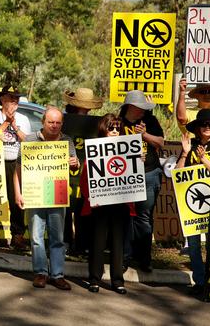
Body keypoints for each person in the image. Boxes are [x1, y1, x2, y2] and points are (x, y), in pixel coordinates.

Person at [13, 107, 79, 290]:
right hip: (35, 193)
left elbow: (75, 167)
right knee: (36, 236)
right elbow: (18, 169)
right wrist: (18, 193)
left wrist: (75, 163)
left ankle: (57, 275)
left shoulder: (67, 141)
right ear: (43, 122)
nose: (54, 126)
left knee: (57, 237)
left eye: (58, 123)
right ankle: (40, 273)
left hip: (57, 193)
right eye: (51, 122)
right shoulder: (29, 139)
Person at [176, 109, 210, 295]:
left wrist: (203, 161)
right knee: (193, 245)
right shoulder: (190, 144)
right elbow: (177, 173)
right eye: (203, 124)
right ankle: (199, 282)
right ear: (198, 128)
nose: (207, 127)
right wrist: (185, 154)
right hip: (191, 205)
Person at [79, 114, 134, 295]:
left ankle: (117, 281)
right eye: (111, 127)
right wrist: (90, 198)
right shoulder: (94, 148)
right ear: (104, 129)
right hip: (99, 202)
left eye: (118, 128)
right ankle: (94, 279)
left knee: (118, 243)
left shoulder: (128, 148)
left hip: (120, 202)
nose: (115, 131)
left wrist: (137, 162)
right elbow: (85, 176)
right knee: (98, 241)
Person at [119, 90, 164, 272]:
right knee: (125, 218)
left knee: (144, 218)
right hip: (124, 177)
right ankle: (124, 257)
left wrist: (145, 135)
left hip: (148, 174)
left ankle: (144, 259)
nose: (143, 111)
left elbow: (161, 142)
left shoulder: (150, 122)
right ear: (131, 107)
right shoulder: (117, 122)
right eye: (141, 108)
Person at [0, 85, 31, 248]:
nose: (14, 101)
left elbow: (28, 142)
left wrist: (15, 126)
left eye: (16, 98)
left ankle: (17, 235)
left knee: (16, 198)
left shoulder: (23, 118)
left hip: (16, 162)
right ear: (2, 99)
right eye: (11, 98)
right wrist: (6, 122)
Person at [61, 88, 103, 256]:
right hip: (64, 169)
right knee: (64, 205)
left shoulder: (96, 124)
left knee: (82, 206)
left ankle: (81, 244)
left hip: (86, 170)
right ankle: (64, 242)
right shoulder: (64, 121)